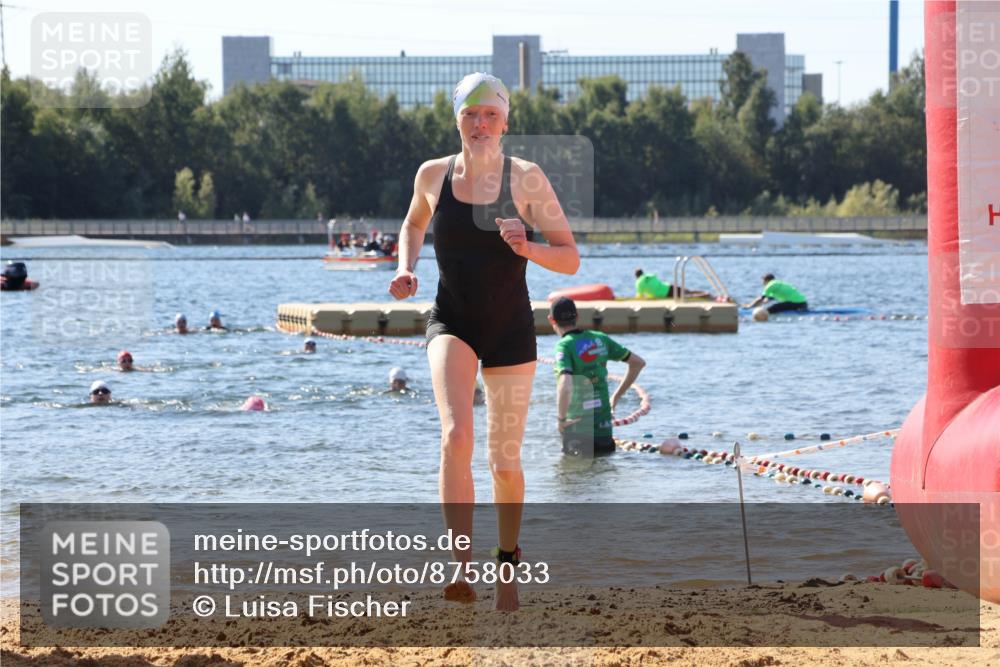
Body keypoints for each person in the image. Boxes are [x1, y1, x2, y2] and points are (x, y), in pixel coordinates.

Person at [388, 71, 579, 612]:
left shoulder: (527, 179)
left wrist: (528, 246)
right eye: (470, 114)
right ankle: (458, 568)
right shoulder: (433, 174)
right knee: (455, 436)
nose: (480, 123)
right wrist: (406, 267)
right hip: (451, 320)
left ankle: (507, 568)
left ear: (506, 121)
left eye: (490, 114)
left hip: (511, 329)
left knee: (504, 461)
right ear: (457, 120)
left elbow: (569, 255)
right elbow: (413, 223)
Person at [548, 297, 646, 457]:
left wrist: (561, 420)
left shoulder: (564, 345)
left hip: (578, 432)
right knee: (602, 476)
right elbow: (638, 363)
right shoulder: (600, 338)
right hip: (604, 431)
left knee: (572, 478)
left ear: (551, 320)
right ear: (577, 316)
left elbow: (565, 384)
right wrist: (615, 398)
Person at [743, 273, 808, 314]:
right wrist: (765, 301)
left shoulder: (770, 285)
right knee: (776, 306)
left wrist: (749, 306)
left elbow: (761, 298)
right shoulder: (779, 283)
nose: (762, 283)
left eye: (763, 281)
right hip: (803, 304)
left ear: (766, 280)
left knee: (769, 310)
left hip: (795, 303)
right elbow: (769, 298)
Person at [634, 268, 711, 299]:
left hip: (665, 294)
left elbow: (640, 296)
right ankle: (706, 293)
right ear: (642, 273)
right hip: (668, 286)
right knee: (688, 291)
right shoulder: (649, 275)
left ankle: (705, 295)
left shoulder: (638, 283)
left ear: (636, 276)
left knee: (687, 296)